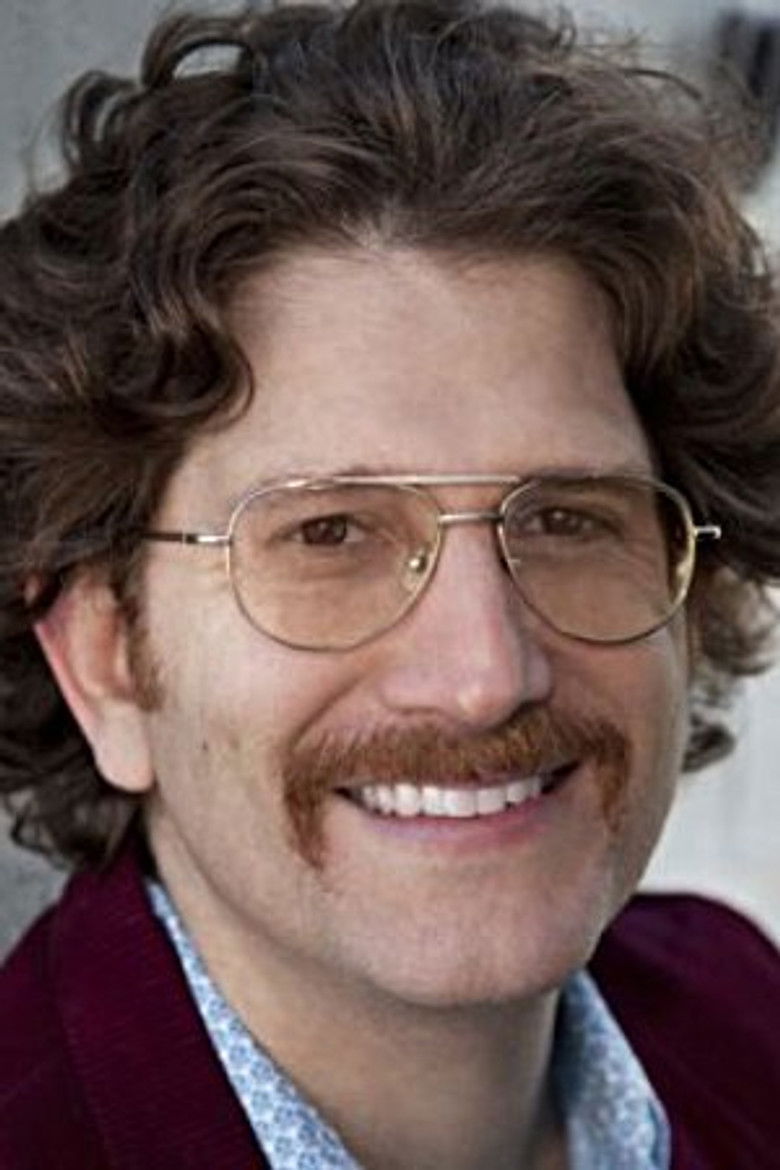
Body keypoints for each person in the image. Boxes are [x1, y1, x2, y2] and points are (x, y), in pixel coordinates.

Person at [1, 1, 779, 1167]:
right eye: (330, 536)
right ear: (105, 657)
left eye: (567, 518)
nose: (486, 676)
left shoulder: (744, 1016)